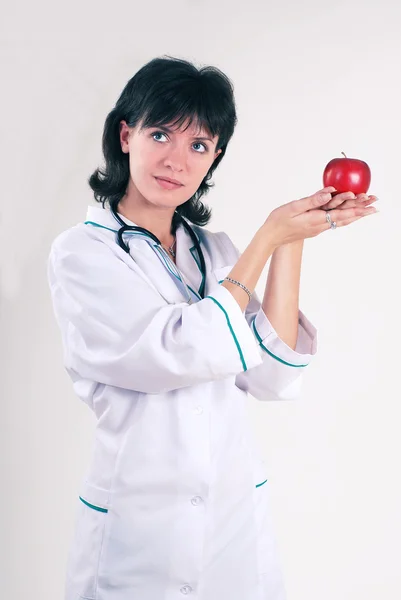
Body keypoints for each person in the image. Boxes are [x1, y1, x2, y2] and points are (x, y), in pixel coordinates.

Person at [47, 55, 378, 600]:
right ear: (126, 135)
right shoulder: (83, 253)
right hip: (139, 525)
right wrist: (268, 236)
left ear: (215, 156)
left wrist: (291, 241)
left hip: (230, 520)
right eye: (161, 134)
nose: (177, 160)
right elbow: (173, 353)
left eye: (199, 145)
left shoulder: (215, 252)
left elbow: (271, 375)